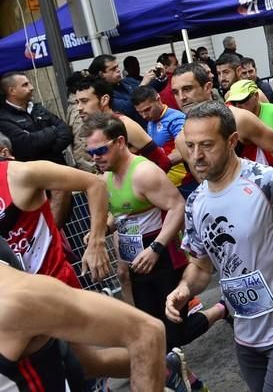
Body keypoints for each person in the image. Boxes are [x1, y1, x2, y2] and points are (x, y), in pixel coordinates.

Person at [166, 102, 273, 392]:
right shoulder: (195, 201)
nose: (196, 156)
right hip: (246, 335)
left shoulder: (268, 182)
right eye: (190, 145)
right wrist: (184, 290)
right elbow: (200, 266)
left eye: (207, 145)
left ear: (232, 141)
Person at [83, 113, 224, 354]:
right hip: (136, 260)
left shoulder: (143, 173)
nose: (96, 158)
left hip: (163, 255)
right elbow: (121, 214)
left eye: (101, 151)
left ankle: (222, 308)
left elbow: (177, 206)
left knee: (174, 333)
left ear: (119, 142)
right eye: (91, 153)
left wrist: (156, 248)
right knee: (154, 332)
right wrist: (102, 229)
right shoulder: (106, 177)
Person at [0, 255, 167, 391]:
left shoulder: (17, 299)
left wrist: (96, 237)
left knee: (87, 364)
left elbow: (146, 331)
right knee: (87, 366)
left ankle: (164, 369)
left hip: (51, 285)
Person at [0, 154, 110, 286]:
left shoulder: (20, 173)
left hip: (57, 285)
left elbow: (95, 184)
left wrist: (96, 243)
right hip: (13, 298)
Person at [170, 62, 273, 169]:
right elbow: (204, 180)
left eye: (187, 89)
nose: (182, 98)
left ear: (208, 87)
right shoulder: (182, 139)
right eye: (176, 92)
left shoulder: (238, 118)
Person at [0, 72, 74, 224]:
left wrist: (47, 148)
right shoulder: (4, 117)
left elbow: (66, 132)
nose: (32, 88)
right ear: (11, 90)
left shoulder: (38, 109)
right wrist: (52, 131)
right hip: (36, 188)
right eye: (25, 85)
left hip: (59, 176)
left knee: (66, 225)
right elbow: (26, 145)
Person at [74, 77, 172, 173]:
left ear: (104, 100)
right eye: (77, 102)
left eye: (84, 101)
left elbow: (163, 162)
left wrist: (143, 186)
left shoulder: (125, 124)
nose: (79, 108)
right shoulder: (94, 129)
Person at [225, 79, 273, 156]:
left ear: (256, 96)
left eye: (242, 100)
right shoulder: (239, 121)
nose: (238, 106)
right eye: (234, 103)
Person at [131, 85, 188, 187]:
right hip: (167, 181)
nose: (144, 116)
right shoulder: (151, 120)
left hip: (184, 182)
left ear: (158, 100)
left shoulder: (176, 120)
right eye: (140, 112)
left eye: (147, 110)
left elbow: (186, 148)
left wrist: (159, 165)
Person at [88, 54, 144, 125]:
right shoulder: (104, 95)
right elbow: (128, 108)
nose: (118, 70)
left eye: (117, 67)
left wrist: (159, 78)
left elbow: (151, 90)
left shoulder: (127, 81)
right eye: (113, 69)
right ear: (101, 74)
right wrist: (143, 85)